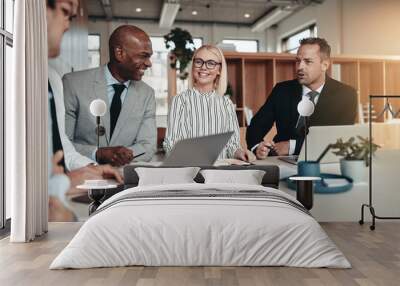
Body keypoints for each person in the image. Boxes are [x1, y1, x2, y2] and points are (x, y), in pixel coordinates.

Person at [47, 0, 123, 221]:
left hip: (57, 202)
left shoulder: (52, 78)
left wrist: (92, 168)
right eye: (64, 12)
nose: (67, 25)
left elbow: (64, 147)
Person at [246, 37, 357, 159]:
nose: (300, 67)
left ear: (324, 65)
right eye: (298, 61)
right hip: (280, 160)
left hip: (323, 161)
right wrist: (258, 147)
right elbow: (255, 127)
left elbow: (339, 140)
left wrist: (292, 146)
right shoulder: (282, 90)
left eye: (308, 62)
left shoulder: (346, 95)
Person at [63, 25, 157, 166]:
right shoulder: (73, 84)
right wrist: (98, 153)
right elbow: (62, 142)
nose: (149, 63)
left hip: (124, 180)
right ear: (119, 53)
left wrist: (121, 156)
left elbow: (147, 146)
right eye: (144, 56)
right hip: (82, 178)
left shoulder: (147, 94)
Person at [163, 45, 255, 162]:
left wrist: (240, 153)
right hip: (190, 171)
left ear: (219, 70)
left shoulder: (226, 104)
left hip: (220, 174)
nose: (203, 67)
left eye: (210, 63)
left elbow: (232, 145)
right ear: (193, 66)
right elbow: (170, 144)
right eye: (199, 62)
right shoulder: (180, 101)